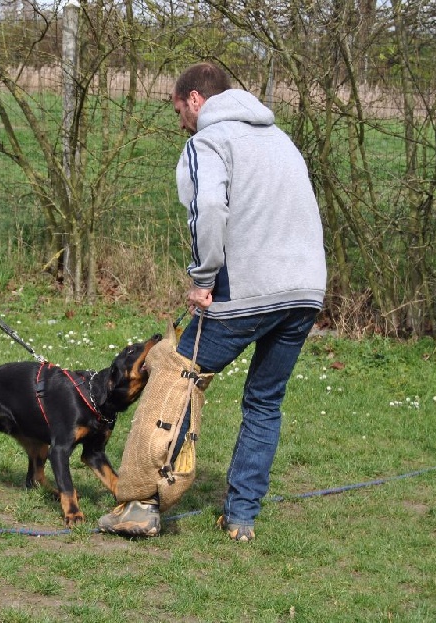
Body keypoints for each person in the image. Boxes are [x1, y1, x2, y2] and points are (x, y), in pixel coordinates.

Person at [99, 62, 326, 539]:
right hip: (306, 290)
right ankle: (240, 518)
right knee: (265, 402)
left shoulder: (207, 142)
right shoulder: (281, 139)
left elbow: (210, 209)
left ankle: (142, 501)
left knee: (174, 374)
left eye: (179, 109)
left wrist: (202, 277)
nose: (180, 120)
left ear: (196, 100)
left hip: (248, 289)